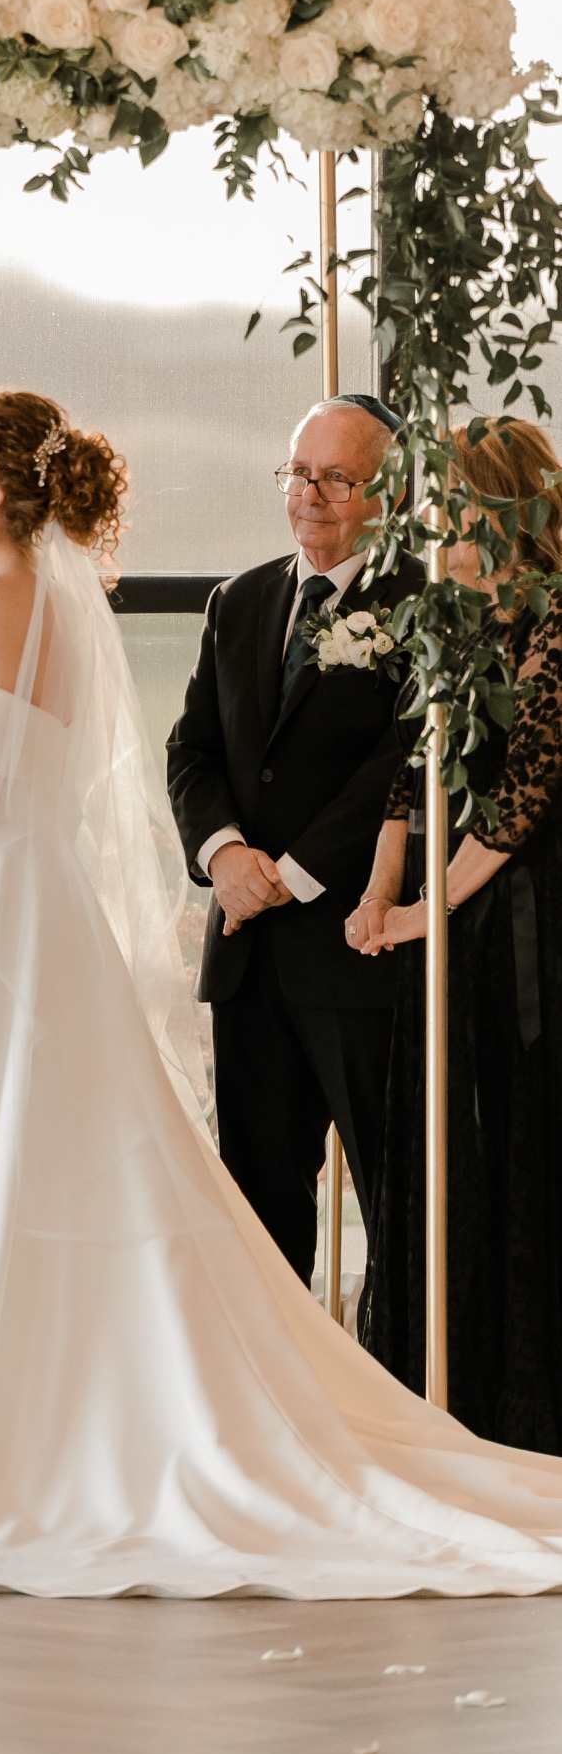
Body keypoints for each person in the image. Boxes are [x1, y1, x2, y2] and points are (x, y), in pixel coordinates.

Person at [0, 390, 562, 1597]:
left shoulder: (8, 597)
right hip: (14, 903)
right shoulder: (35, 593)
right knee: (26, 1159)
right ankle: (30, 1388)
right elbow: (75, 757)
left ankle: (8, 1410)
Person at [165, 394, 424, 1286]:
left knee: (397, 1203)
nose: (308, 494)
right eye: (297, 472)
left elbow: (400, 764)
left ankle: (394, 1369)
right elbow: (191, 750)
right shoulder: (238, 599)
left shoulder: (425, 608)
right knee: (257, 1205)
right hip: (247, 957)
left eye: (335, 478)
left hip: (360, 949)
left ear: (389, 494)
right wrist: (225, 857)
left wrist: (291, 873)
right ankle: (270, 1375)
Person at [354, 417, 562, 1451]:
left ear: (500, 508)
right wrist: (378, 890)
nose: (437, 529)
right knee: (448, 1145)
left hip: (528, 916)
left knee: (524, 1139)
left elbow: (519, 802)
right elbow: (409, 774)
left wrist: (419, 912)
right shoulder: (457, 621)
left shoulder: (555, 623)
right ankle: (447, 1380)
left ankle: (525, 1398)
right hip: (452, 914)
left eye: (452, 509)